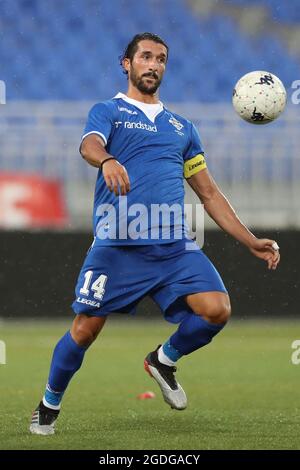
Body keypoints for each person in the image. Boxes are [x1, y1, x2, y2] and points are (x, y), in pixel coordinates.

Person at [30, 32, 280, 435]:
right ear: (126, 64)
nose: (154, 65)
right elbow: (89, 146)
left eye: (161, 59)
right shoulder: (108, 111)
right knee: (85, 329)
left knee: (217, 310)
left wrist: (250, 240)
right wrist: (108, 159)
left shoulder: (181, 127)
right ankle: (48, 404)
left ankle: (163, 359)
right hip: (118, 245)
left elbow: (209, 193)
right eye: (145, 57)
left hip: (174, 245)